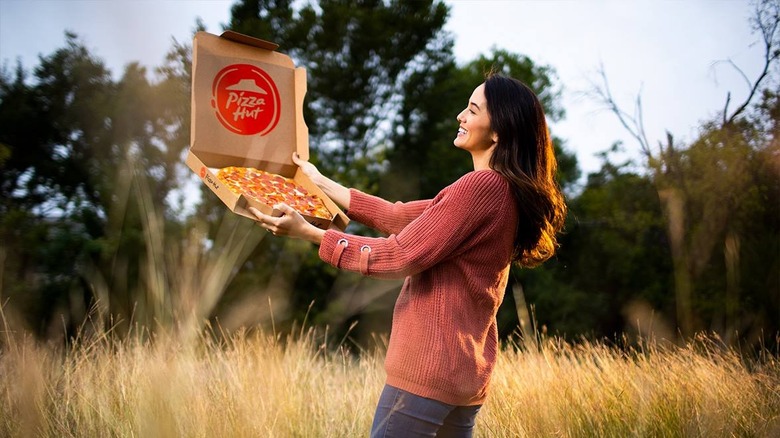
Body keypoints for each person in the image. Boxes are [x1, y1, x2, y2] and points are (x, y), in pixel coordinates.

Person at [250, 72, 567, 437]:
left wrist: (310, 233)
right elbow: (397, 216)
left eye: (472, 110)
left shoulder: (481, 186)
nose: (460, 117)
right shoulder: (503, 192)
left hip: (426, 373)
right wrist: (317, 180)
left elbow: (399, 256)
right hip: (464, 377)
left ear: (498, 131)